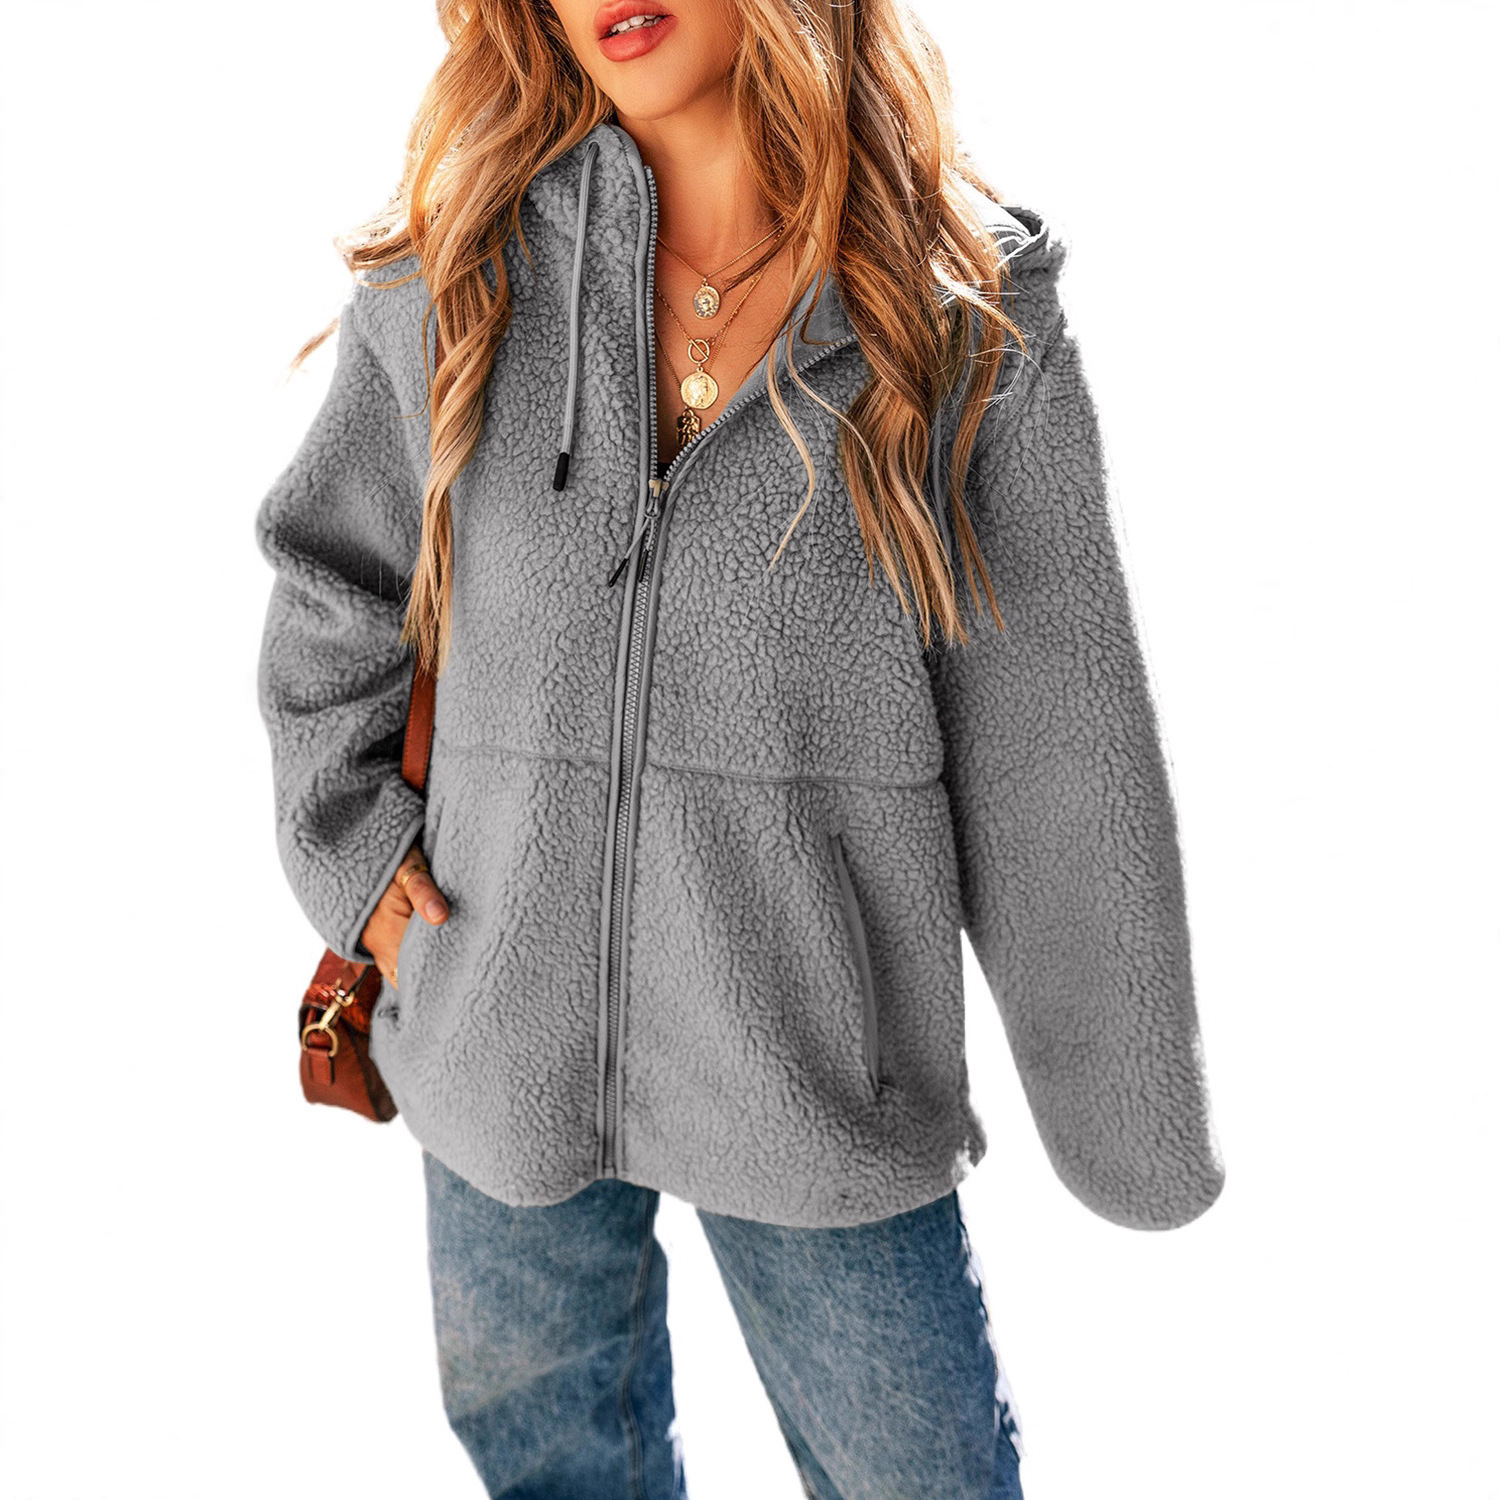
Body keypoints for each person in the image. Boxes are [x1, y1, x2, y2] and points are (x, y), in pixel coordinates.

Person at [253, 0, 1226, 1492]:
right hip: (497, 1033)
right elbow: (335, 581)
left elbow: (1058, 753)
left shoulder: (956, 323)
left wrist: (1128, 1107)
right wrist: (359, 852)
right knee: (549, 1455)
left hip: (810, 1072)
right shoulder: (465, 270)